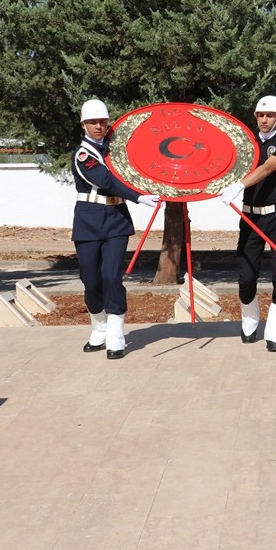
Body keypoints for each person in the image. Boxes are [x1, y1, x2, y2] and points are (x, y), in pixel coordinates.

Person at [73, 99, 160, 360]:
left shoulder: (118, 152)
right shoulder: (83, 155)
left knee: (112, 276)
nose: (99, 126)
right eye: (93, 122)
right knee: (90, 278)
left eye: (102, 122)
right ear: (84, 125)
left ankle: (115, 332)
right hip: (89, 219)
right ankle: (98, 326)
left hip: (115, 219)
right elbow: (106, 180)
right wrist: (138, 197)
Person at [218, 96, 276, 352]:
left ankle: (274, 331)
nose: (264, 120)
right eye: (261, 116)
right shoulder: (247, 144)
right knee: (246, 276)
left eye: (270, 116)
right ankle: (250, 319)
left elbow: (267, 168)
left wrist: (239, 185)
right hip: (250, 216)